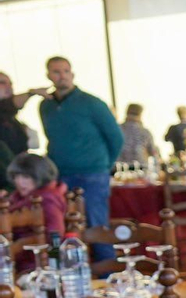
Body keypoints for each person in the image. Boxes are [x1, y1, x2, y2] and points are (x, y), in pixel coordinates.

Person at [37, 56, 121, 261]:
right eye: (56, 72)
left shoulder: (92, 103)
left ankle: (107, 276)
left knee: (97, 226)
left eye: (66, 71)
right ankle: (66, 273)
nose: (62, 76)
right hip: (60, 175)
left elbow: (116, 137)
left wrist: (103, 165)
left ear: (72, 74)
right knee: (60, 227)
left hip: (93, 174)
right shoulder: (45, 106)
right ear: (49, 75)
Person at [6, 152, 67, 239]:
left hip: (36, 250)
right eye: (16, 176)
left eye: (26, 177)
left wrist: (53, 252)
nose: (19, 182)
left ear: (40, 177)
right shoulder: (16, 197)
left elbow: (55, 233)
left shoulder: (47, 199)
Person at [0, 72, 41, 156]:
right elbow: (9, 104)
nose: (9, 87)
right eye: (2, 83)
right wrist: (31, 93)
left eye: (10, 83)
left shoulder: (12, 119)